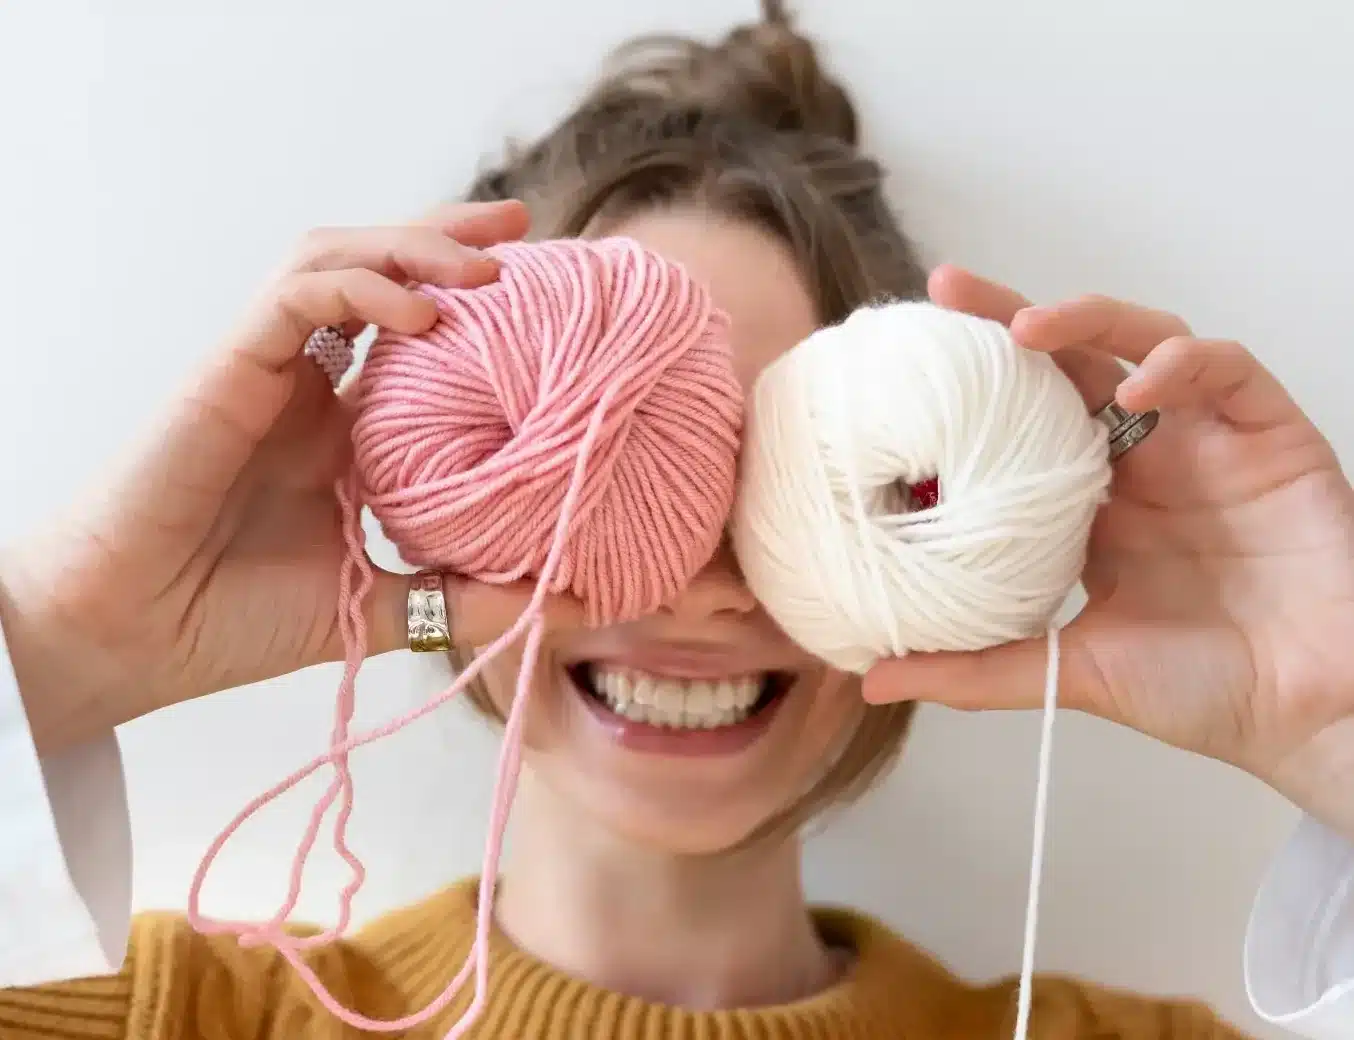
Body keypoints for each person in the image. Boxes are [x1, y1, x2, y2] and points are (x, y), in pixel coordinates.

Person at [0, 4, 1350, 1038]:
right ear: (441, 485)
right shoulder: (167, 1014)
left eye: (781, 480)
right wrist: (70, 647)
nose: (701, 588)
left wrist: (1333, 733)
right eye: (621, 464)